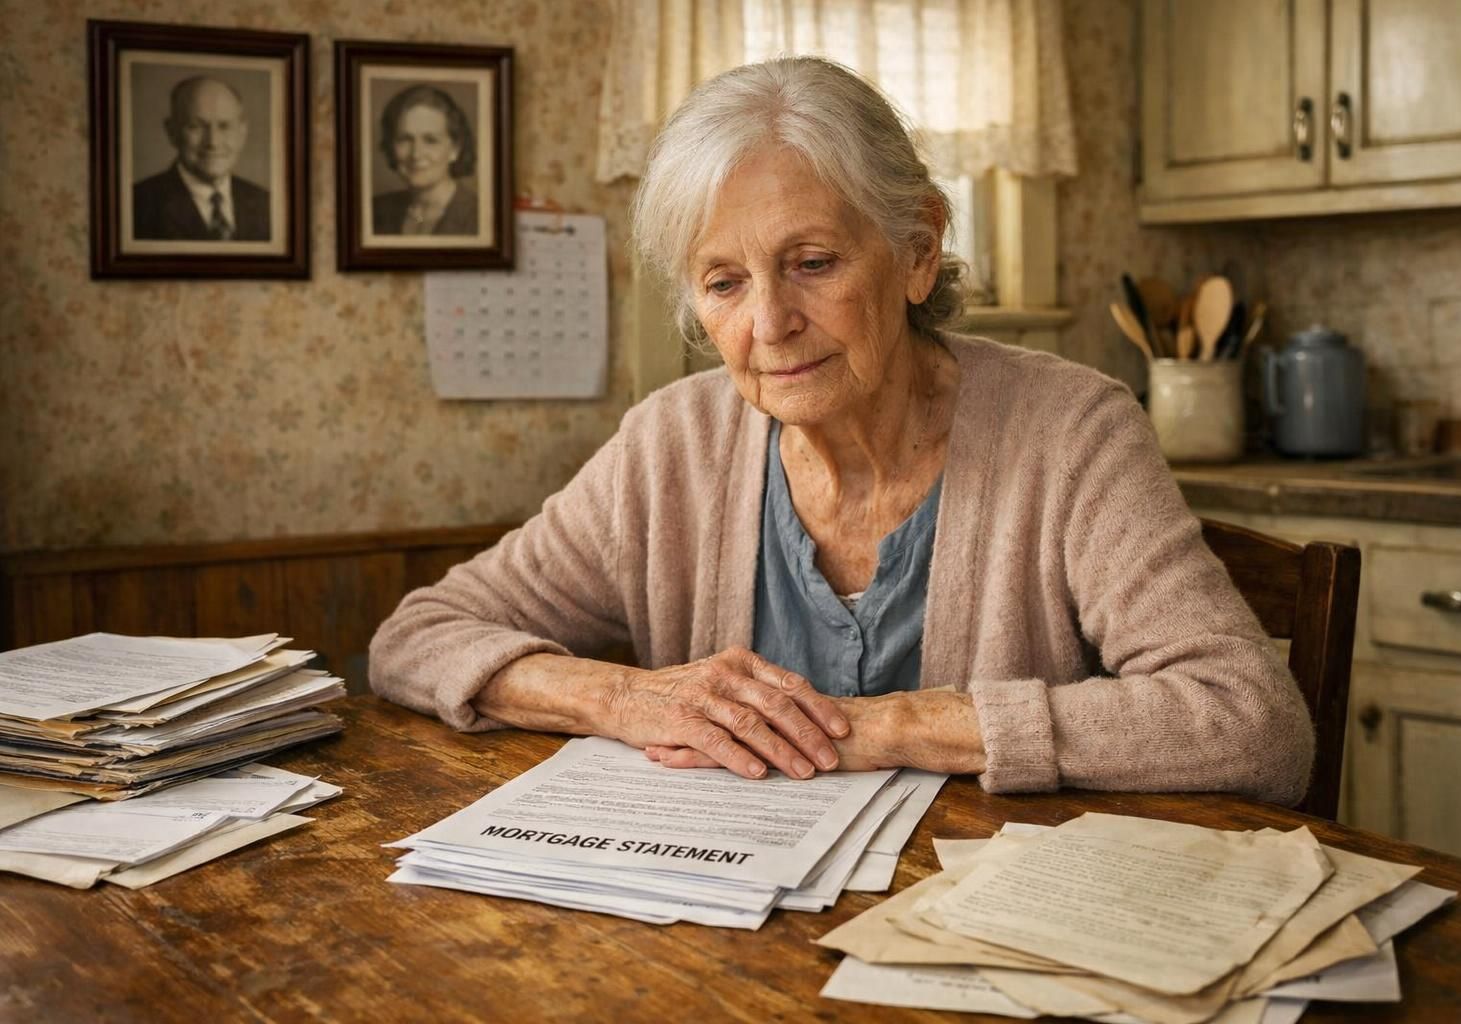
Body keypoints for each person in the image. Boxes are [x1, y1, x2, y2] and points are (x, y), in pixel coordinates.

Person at [369, 57, 1314, 804]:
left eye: (812, 263)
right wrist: (623, 697)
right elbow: (415, 637)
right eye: (724, 282)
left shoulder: (1072, 434)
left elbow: (1250, 723)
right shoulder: (672, 446)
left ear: (916, 250)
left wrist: (899, 726)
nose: (768, 324)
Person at [133, 75, 271, 241]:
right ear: (172, 132)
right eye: (195, 126)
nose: (212, 142)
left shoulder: (266, 204)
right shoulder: (137, 205)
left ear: (242, 132)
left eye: (224, 126)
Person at [371, 85, 478, 236]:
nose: (416, 154)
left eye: (431, 140)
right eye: (405, 139)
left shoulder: (479, 217)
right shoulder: (375, 211)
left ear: (455, 150)